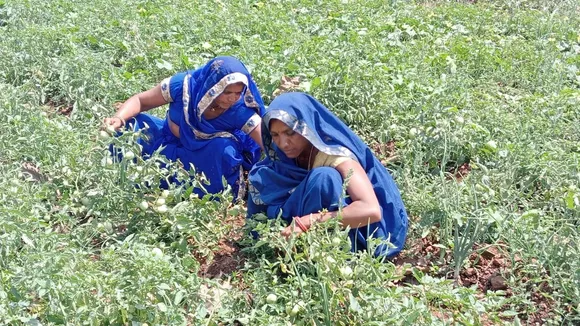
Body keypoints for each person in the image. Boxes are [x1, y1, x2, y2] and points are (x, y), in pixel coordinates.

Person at [246, 92, 408, 258]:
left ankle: (331, 254)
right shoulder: (282, 154)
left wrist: (309, 222)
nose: (284, 143)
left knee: (324, 179)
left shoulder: (335, 155)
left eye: (290, 133)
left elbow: (371, 210)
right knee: (263, 175)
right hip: (305, 221)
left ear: (306, 127)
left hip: (352, 228)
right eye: (275, 135)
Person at [103, 56, 265, 199]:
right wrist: (118, 118)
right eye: (228, 92)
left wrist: (286, 162)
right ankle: (121, 175)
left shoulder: (239, 109)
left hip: (201, 159)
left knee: (223, 149)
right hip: (165, 144)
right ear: (212, 86)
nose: (233, 98)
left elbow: (268, 140)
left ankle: (210, 194)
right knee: (131, 125)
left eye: (238, 93)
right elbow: (141, 101)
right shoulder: (185, 86)